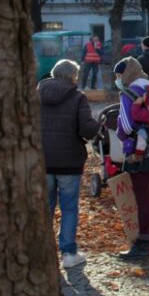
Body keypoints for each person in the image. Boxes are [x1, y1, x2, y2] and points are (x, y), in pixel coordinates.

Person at [38, 59, 100, 268]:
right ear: (73, 76)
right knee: (69, 208)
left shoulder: (35, 95)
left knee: (44, 207)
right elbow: (87, 130)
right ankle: (68, 254)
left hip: (42, 161)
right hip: (69, 162)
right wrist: (96, 126)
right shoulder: (77, 98)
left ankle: (43, 254)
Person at [114, 57, 149, 259]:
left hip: (139, 152)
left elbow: (127, 127)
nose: (118, 79)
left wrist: (120, 134)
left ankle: (142, 243)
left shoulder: (128, 93)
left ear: (126, 74)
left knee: (142, 199)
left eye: (119, 75)